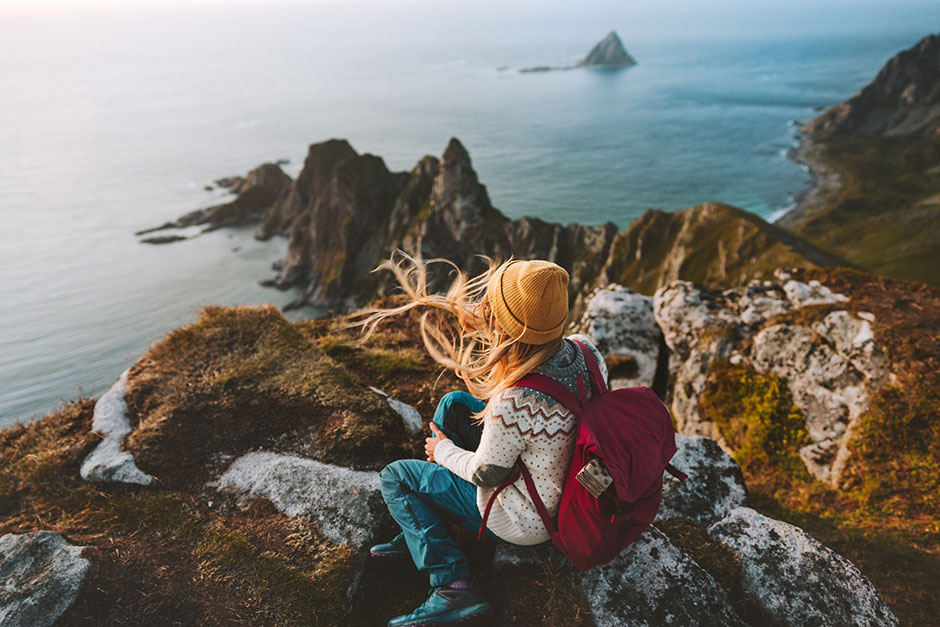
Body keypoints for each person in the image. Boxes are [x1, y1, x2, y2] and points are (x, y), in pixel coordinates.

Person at [357, 254, 608, 627]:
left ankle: (452, 585)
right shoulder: (585, 350)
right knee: (454, 403)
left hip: (525, 519)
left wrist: (442, 451)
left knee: (396, 477)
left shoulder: (517, 401)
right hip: (560, 481)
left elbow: (486, 473)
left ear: (508, 326)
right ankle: (419, 531)